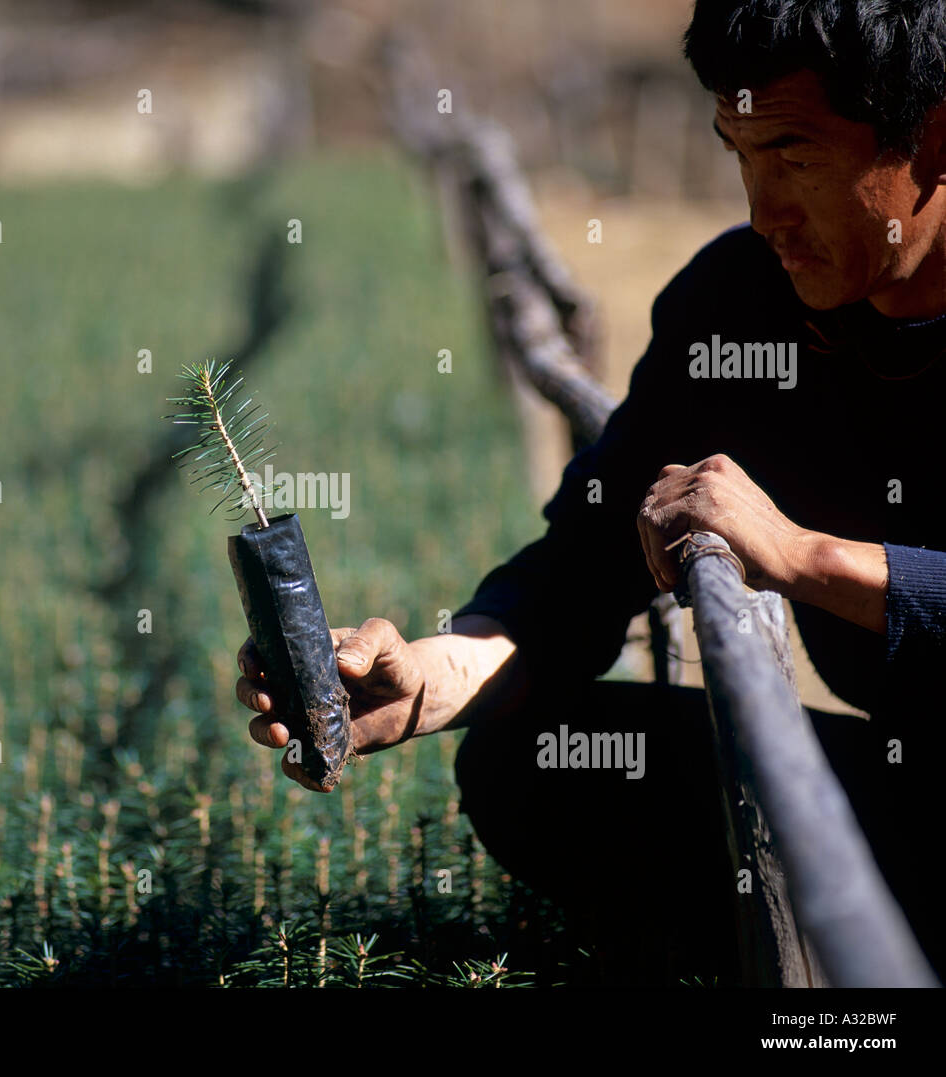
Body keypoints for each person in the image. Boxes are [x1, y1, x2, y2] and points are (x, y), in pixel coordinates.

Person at [237, 0, 946, 985]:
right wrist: (430, 679)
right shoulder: (738, 303)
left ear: (935, 132)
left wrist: (801, 557)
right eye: (737, 154)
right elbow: (582, 566)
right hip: (918, 799)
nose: (762, 209)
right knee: (532, 758)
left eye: (793, 156)